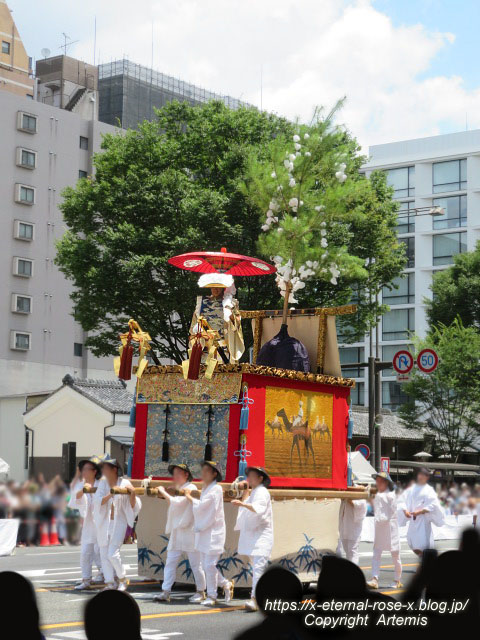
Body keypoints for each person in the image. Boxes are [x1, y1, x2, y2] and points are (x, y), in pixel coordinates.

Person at [153, 463, 205, 603]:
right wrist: (169, 491)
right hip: (178, 531)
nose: (175, 477)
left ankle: (201, 591)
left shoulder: (191, 488)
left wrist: (163, 491)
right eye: (174, 474)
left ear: (186, 474)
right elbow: (176, 502)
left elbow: (176, 503)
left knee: (195, 564)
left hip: (190, 531)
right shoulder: (181, 488)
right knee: (170, 562)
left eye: (178, 474)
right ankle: (166, 591)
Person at [184, 460, 233, 606]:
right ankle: (225, 584)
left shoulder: (216, 489)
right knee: (207, 565)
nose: (203, 473)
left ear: (214, 474)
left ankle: (212, 595)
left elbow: (206, 507)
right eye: (203, 470)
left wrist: (190, 498)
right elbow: (203, 507)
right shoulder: (206, 489)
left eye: (206, 471)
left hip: (214, 531)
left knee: (210, 565)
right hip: (206, 530)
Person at [93, 455, 141, 591]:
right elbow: (97, 501)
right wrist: (110, 495)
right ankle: (110, 582)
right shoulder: (103, 483)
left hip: (118, 521)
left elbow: (134, 506)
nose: (103, 471)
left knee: (112, 553)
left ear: (114, 469)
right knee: (103, 553)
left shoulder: (124, 483)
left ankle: (122, 579)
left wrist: (132, 494)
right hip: (105, 522)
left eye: (106, 468)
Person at [231, 466, 274, 612]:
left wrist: (243, 503)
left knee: (258, 568)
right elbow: (246, 506)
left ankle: (255, 599)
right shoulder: (255, 491)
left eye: (252, 475)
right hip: (254, 537)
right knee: (257, 569)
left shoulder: (262, 492)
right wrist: (245, 491)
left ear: (260, 478)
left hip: (262, 537)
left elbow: (258, 508)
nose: (249, 478)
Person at [190, 273, 244, 363]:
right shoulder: (201, 303)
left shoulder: (230, 303)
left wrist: (230, 314)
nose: (215, 289)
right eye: (213, 286)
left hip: (223, 347)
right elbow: (193, 326)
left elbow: (237, 324)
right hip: (205, 348)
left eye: (218, 286)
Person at [69, 456, 104, 589]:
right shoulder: (81, 485)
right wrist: (83, 489)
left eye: (86, 469)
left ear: (94, 471)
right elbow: (74, 500)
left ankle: (107, 574)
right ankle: (86, 579)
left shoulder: (102, 485)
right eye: (82, 469)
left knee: (101, 551)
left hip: (102, 523)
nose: (83, 472)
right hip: (89, 524)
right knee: (86, 551)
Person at [366, 471, 402, 590]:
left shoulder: (391, 495)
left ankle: (397, 579)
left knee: (395, 555)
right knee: (376, 552)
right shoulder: (377, 495)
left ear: (386, 483)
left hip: (390, 528)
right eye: (377, 480)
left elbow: (395, 510)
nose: (378, 483)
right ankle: (374, 579)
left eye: (380, 481)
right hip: (380, 527)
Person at [398, 467, 445, 556]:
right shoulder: (412, 489)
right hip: (413, 519)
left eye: (423, 475)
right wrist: (405, 511)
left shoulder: (429, 489)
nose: (421, 477)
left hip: (423, 519)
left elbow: (433, 504)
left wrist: (420, 512)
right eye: (420, 475)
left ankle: (426, 561)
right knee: (411, 542)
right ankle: (423, 558)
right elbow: (402, 500)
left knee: (423, 543)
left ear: (426, 477)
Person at [336, 494, 367, 566]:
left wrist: (347, 496)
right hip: (344, 528)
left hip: (353, 529)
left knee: (352, 551)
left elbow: (357, 504)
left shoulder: (358, 492)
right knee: (347, 551)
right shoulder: (343, 492)